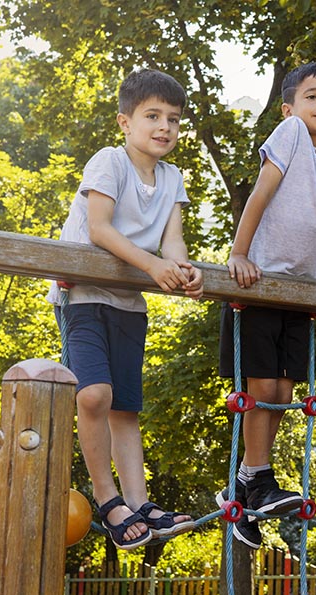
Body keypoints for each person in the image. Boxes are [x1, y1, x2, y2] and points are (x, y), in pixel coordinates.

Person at [218, 62, 316, 549]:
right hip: (261, 279)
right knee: (262, 386)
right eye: (312, 96)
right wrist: (239, 254)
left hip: (302, 287)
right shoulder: (290, 134)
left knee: (285, 392)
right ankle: (259, 478)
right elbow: (261, 192)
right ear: (290, 108)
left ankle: (247, 483)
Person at [47, 69, 202, 550]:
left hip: (128, 303)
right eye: (152, 116)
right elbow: (100, 228)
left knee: (126, 408)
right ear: (125, 122)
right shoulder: (109, 162)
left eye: (173, 119)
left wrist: (184, 268)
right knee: (95, 395)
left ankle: (139, 501)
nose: (164, 127)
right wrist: (154, 266)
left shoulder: (172, 177)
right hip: (82, 294)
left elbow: (172, 240)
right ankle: (108, 498)